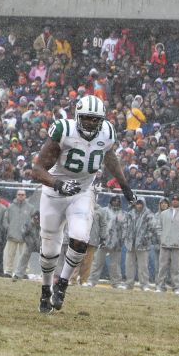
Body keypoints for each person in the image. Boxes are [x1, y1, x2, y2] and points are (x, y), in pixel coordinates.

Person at [29, 95, 135, 313]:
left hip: (82, 191)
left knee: (80, 239)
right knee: (49, 249)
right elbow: (37, 170)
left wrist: (125, 185)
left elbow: (109, 156)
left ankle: (63, 284)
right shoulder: (63, 130)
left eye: (94, 119)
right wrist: (59, 184)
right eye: (86, 118)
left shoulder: (107, 132)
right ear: (77, 116)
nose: (90, 123)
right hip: (53, 192)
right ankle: (45, 288)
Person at [156, 193, 179, 292]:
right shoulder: (163, 214)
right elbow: (159, 227)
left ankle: (177, 288)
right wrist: (161, 237)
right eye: (173, 199)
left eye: (177, 200)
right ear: (171, 201)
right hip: (164, 245)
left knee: (176, 268)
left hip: (177, 246)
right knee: (162, 267)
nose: (175, 201)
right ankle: (160, 286)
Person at [124, 197, 157, 290]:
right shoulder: (130, 214)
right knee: (129, 266)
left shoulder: (149, 214)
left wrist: (146, 238)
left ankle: (144, 285)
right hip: (130, 245)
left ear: (144, 204)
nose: (139, 205)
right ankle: (129, 284)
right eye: (138, 203)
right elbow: (125, 226)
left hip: (143, 245)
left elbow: (153, 228)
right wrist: (126, 237)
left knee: (143, 267)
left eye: (141, 204)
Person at [3, 188, 36, 280]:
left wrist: (29, 230)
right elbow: (5, 219)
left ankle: (24, 272)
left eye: (22, 195)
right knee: (10, 255)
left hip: (25, 236)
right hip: (12, 235)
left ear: (25, 196)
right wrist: (8, 228)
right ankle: (8, 271)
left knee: (24, 255)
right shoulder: (10, 207)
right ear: (16, 195)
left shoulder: (30, 208)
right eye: (19, 194)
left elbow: (34, 220)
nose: (21, 196)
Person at [94, 196, 127, 288]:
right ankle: (92, 281)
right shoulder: (104, 211)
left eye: (118, 201)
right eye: (114, 200)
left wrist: (122, 240)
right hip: (103, 241)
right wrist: (100, 237)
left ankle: (116, 283)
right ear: (111, 201)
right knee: (97, 262)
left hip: (116, 242)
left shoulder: (123, 214)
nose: (116, 202)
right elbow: (99, 224)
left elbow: (125, 228)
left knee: (115, 265)